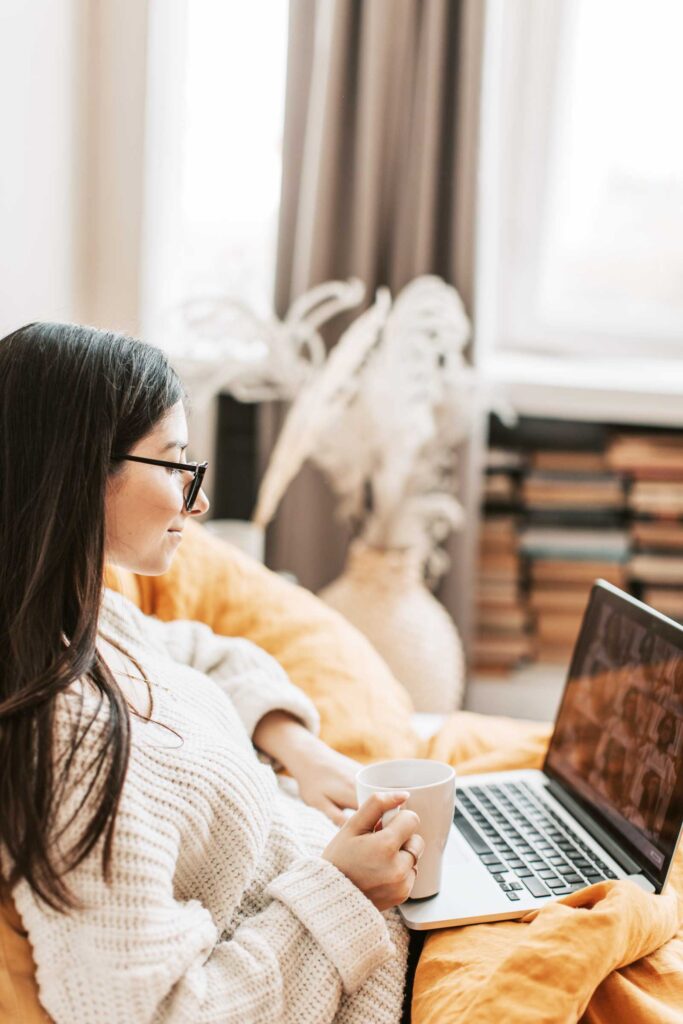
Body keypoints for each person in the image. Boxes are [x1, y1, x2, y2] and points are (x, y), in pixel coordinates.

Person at [0, 323, 424, 1024]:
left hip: (369, 901)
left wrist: (299, 748)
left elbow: (205, 655)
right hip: (373, 985)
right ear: (77, 471)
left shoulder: (72, 615)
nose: (195, 502)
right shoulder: (69, 753)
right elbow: (165, 1014)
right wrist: (342, 889)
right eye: (173, 464)